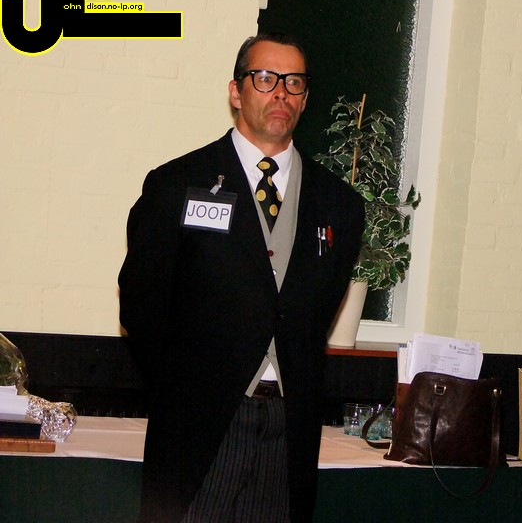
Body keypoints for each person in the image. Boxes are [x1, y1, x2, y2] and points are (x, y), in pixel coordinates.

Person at [119, 32, 365, 523]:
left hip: (288, 434)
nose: (281, 93)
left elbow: (316, 310)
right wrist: (189, 390)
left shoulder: (339, 204)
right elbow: (141, 307)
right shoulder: (177, 184)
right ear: (236, 92)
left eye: (294, 82)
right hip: (199, 429)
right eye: (266, 78)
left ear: (305, 98)